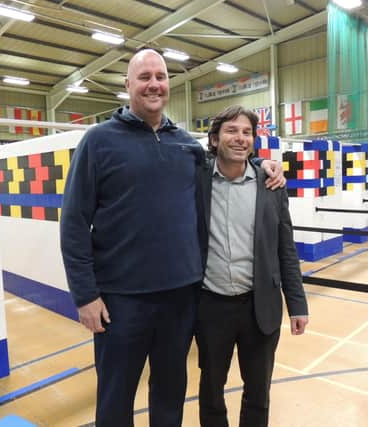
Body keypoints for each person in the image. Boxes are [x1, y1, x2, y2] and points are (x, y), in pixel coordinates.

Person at [60, 49, 285, 427]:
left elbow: (228, 164)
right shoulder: (98, 141)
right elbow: (74, 222)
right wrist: (85, 295)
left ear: (168, 84)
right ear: (128, 85)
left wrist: (263, 164)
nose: (153, 84)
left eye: (160, 77)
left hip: (180, 300)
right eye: (144, 76)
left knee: (169, 396)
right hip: (120, 301)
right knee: (116, 400)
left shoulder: (186, 146)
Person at [195, 105, 309, 427]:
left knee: (258, 393)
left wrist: (297, 305)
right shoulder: (198, 180)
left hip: (260, 308)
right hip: (211, 307)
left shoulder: (270, 184)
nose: (240, 138)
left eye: (247, 132)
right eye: (231, 131)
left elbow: (286, 248)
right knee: (211, 391)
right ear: (215, 139)